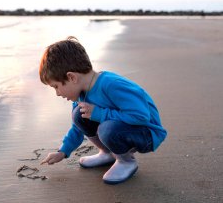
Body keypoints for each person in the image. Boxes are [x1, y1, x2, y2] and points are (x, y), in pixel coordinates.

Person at [39, 36, 167, 184]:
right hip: (123, 128)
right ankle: (107, 153)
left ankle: (126, 161)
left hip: (147, 133)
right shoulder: (81, 94)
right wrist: (63, 151)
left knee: (106, 128)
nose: (58, 93)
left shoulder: (112, 85)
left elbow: (141, 116)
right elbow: (77, 127)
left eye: (56, 86)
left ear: (72, 77)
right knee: (78, 116)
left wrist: (99, 114)